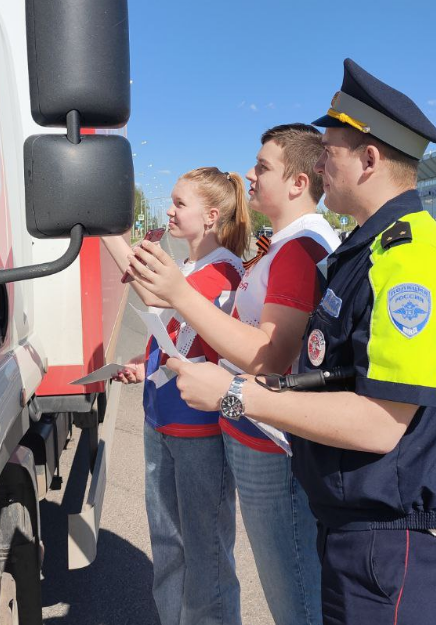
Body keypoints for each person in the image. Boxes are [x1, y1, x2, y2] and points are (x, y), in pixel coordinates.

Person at [164, 59, 436, 625]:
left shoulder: (411, 260)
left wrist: (235, 394)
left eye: (330, 149)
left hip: (394, 540)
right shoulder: (366, 249)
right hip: (357, 528)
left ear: (369, 159)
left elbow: (381, 423)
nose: (320, 163)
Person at [125, 125, 338, 625]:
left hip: (267, 435)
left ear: (297, 183)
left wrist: (180, 295)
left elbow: (268, 354)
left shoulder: (296, 249)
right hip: (254, 425)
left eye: (262, 167)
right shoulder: (286, 246)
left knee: (295, 596)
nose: (250, 174)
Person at [102, 167, 250, 625]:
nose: (168, 209)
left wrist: (103, 227)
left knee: (203, 557)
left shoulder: (222, 269)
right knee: (169, 549)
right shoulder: (190, 267)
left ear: (210, 216)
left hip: (198, 432)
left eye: (179, 203)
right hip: (164, 420)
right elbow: (174, 336)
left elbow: (153, 291)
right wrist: (141, 366)